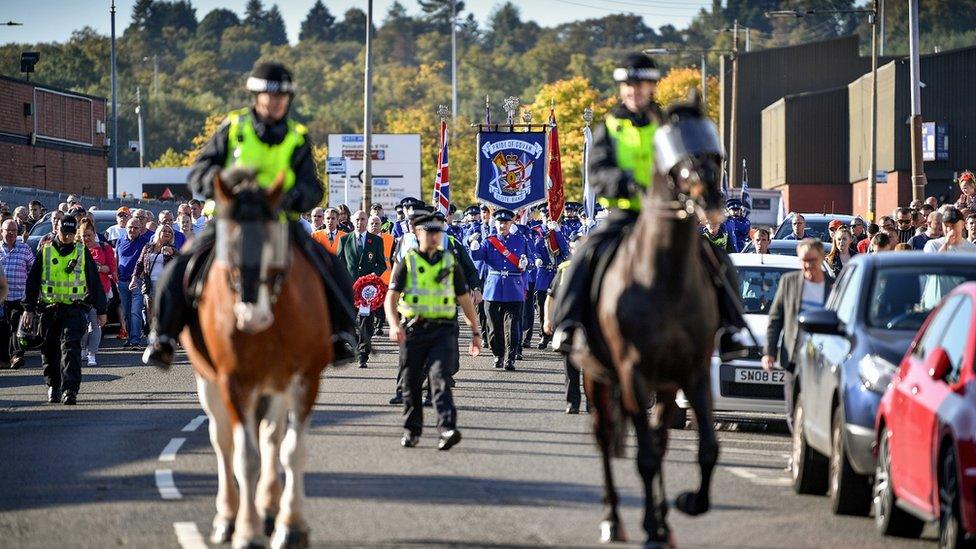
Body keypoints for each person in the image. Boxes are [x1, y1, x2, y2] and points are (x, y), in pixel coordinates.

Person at [142, 62, 358, 368]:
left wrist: (292, 198)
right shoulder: (233, 127)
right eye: (269, 97)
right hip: (230, 220)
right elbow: (198, 173)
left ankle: (341, 335)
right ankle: (161, 337)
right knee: (180, 266)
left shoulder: (297, 136)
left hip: (278, 221)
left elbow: (312, 187)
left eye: (282, 98)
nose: (275, 103)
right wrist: (220, 182)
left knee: (330, 265)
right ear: (256, 97)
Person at [551, 52, 749, 361]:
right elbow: (598, 175)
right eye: (630, 86)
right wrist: (631, 185)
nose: (636, 91)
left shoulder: (670, 127)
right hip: (625, 212)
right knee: (585, 254)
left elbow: (689, 164)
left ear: (652, 87)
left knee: (716, 257)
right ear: (622, 89)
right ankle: (569, 324)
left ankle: (731, 329)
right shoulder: (609, 127)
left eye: (642, 85)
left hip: (668, 214)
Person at [384, 212, 481, 450]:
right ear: (418, 234)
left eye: (437, 232)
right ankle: (412, 430)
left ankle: (447, 428)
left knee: (440, 379)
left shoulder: (449, 261)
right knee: (412, 382)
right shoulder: (408, 261)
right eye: (429, 232)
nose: (434, 236)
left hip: (443, 330)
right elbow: (391, 297)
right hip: (414, 330)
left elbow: (464, 299)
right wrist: (394, 324)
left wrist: (476, 331)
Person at [22, 216, 107, 405]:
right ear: (57, 230)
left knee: (71, 349)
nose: (67, 237)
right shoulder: (45, 251)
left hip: (74, 309)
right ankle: (53, 386)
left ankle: (70, 390)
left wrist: (101, 310)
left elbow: (94, 281)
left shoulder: (81, 251)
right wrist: (28, 308)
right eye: (64, 233)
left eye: (70, 233)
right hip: (49, 310)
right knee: (50, 350)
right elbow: (32, 281)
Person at [761, 238, 833, 431]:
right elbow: (775, 319)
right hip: (794, 357)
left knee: (819, 410)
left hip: (823, 360)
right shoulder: (789, 282)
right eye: (803, 260)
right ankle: (798, 445)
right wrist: (769, 352)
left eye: (812, 260)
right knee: (793, 412)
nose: (808, 265)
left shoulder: (834, 287)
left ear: (822, 258)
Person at [469, 209, 529, 371]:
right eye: (500, 222)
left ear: (511, 223)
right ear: (494, 223)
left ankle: (510, 358)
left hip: (514, 287)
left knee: (513, 326)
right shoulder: (489, 241)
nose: (503, 225)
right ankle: (498, 354)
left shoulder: (519, 241)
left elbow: (527, 258)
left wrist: (526, 263)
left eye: (506, 222)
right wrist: (473, 246)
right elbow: (477, 257)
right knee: (494, 327)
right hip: (493, 289)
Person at [336, 210, 386, 368]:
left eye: (363, 219)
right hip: (349, 289)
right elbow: (339, 263)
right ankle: (355, 343)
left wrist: (373, 275)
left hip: (367, 291)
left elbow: (381, 264)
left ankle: (363, 354)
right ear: (352, 221)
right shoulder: (344, 240)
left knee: (366, 322)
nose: (360, 222)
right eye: (357, 219)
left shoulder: (376, 241)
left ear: (367, 221)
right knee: (347, 321)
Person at [79, 219, 116, 367]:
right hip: (80, 292)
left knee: (95, 323)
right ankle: (82, 349)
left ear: (94, 234)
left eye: (89, 235)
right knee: (81, 323)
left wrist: (98, 268)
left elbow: (111, 269)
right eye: (83, 236)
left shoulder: (104, 247)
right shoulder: (77, 249)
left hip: (100, 290)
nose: (86, 238)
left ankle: (92, 353)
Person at [0, 219, 34, 369]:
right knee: (3, 328)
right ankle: (4, 359)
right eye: (8, 230)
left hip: (19, 296)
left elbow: (33, 271)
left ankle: (16, 355)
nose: (11, 233)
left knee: (16, 325)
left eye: (14, 230)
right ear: (2, 232)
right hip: (1, 298)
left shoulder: (24, 248)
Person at [532, 217, 569, 349]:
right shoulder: (539, 236)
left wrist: (557, 232)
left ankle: (557, 336)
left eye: (553, 221)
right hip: (543, 275)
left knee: (559, 307)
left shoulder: (560, 236)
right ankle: (544, 335)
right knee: (542, 308)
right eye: (547, 221)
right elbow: (534, 250)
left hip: (557, 274)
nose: (550, 224)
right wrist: (537, 258)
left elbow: (565, 252)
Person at [132, 224, 179, 322]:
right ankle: (152, 333)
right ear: (158, 232)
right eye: (164, 231)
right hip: (150, 283)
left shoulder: (172, 248)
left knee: (164, 310)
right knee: (150, 311)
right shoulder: (148, 247)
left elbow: (181, 260)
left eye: (170, 232)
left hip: (165, 284)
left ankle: (163, 332)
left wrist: (173, 252)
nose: (167, 233)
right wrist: (134, 279)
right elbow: (139, 263)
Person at [115, 217, 150, 347]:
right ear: (126, 228)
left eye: (135, 228)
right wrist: (116, 276)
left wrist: (138, 278)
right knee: (126, 312)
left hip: (138, 281)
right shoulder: (120, 241)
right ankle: (130, 338)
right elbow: (116, 259)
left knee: (135, 311)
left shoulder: (145, 242)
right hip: (122, 281)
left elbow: (145, 263)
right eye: (130, 227)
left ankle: (135, 340)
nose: (132, 230)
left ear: (140, 229)